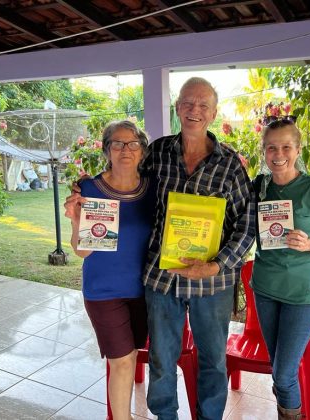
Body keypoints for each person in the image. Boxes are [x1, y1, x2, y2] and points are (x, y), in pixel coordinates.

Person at [143, 77, 256, 420]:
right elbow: (130, 191)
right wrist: (91, 193)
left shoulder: (230, 164)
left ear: (213, 113)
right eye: (188, 103)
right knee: (162, 358)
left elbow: (247, 224)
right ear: (177, 107)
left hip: (212, 281)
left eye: (203, 105)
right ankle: (165, 416)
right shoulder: (157, 152)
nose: (195, 110)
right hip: (162, 276)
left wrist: (216, 264)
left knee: (213, 360)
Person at [251, 118, 310, 420]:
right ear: (264, 151)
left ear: (298, 149)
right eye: (271, 148)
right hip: (266, 289)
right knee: (279, 368)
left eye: (286, 147)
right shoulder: (259, 187)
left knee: (283, 373)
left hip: (304, 294)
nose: (278, 154)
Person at [64, 120, 154, 420]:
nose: (125, 149)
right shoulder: (89, 189)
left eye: (133, 143)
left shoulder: (153, 188)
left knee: (133, 355)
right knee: (122, 360)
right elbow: (83, 250)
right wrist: (76, 220)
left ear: (142, 150)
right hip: (103, 291)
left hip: (144, 290)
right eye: (117, 143)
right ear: (107, 150)